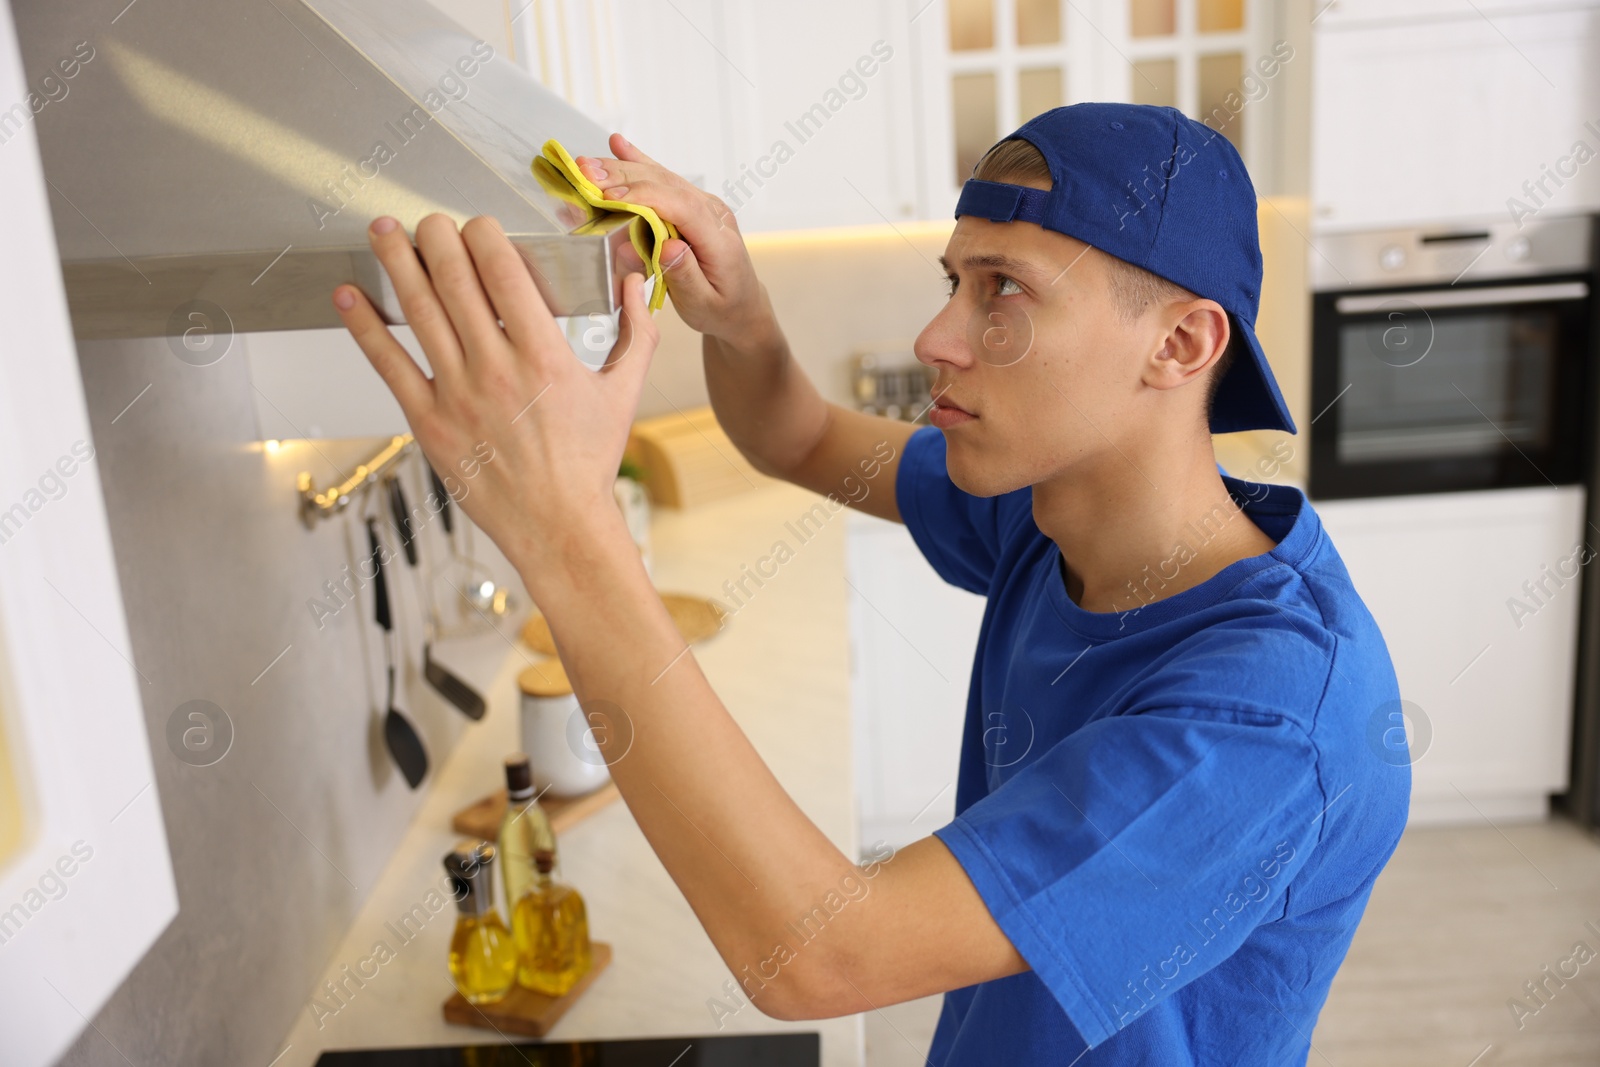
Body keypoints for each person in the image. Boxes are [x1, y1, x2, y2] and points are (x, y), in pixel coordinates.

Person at [331, 102, 1410, 1065]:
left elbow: (818, 954)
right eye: (956, 279)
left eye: (1004, 292)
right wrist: (739, 313)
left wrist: (567, 529)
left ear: (1179, 342)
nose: (938, 335)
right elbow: (794, 434)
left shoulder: (1265, 721)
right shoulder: (1053, 508)